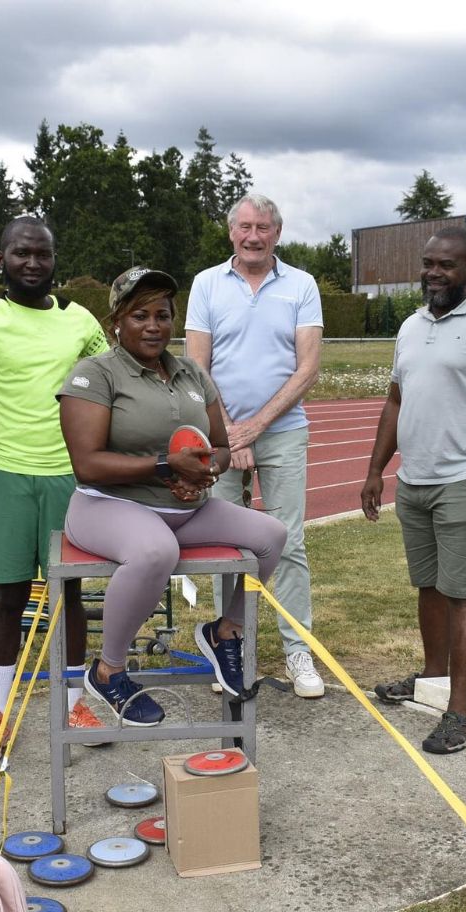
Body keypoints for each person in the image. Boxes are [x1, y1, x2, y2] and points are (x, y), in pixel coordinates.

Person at [58, 266, 288, 724]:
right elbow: (87, 463)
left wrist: (202, 472)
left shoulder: (191, 373)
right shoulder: (95, 374)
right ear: (116, 323)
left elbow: (221, 447)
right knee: (154, 552)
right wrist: (165, 466)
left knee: (272, 535)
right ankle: (108, 671)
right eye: (139, 315)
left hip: (185, 507)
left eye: (162, 315)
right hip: (107, 505)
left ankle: (224, 633)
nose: (152, 325)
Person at [359, 226, 466, 755]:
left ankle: (459, 710)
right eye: (428, 262)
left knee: (461, 592)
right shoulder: (409, 327)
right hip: (415, 481)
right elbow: (395, 401)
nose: (434, 272)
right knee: (428, 586)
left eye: (447, 265)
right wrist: (374, 470)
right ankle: (432, 680)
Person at [0, 217, 110, 759]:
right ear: (1, 257)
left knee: (69, 595)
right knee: (8, 597)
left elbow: (111, 382)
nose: (33, 263)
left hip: (69, 475)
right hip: (6, 471)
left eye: (42, 254)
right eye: (22, 253)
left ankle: (72, 706)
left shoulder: (82, 322)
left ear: (53, 260)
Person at [184, 194, 325, 699]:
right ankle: (232, 645)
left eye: (263, 227)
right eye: (244, 226)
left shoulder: (302, 285)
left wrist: (256, 427)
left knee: (288, 542)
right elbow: (197, 368)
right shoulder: (206, 284)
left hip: (284, 431)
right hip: (220, 436)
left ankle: (297, 650)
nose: (253, 235)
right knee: (225, 547)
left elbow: (307, 367)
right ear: (231, 233)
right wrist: (229, 432)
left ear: (277, 233)